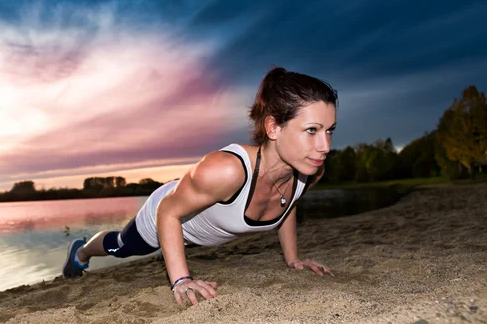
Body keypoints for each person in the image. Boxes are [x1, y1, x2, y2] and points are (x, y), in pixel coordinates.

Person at [63, 66, 338, 306]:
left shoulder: (309, 169)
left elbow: (287, 203)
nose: (324, 146)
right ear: (273, 128)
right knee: (121, 247)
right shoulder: (227, 170)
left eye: (329, 131)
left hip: (201, 230)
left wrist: (293, 259)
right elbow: (168, 212)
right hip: (170, 213)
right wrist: (181, 280)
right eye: (312, 130)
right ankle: (81, 250)